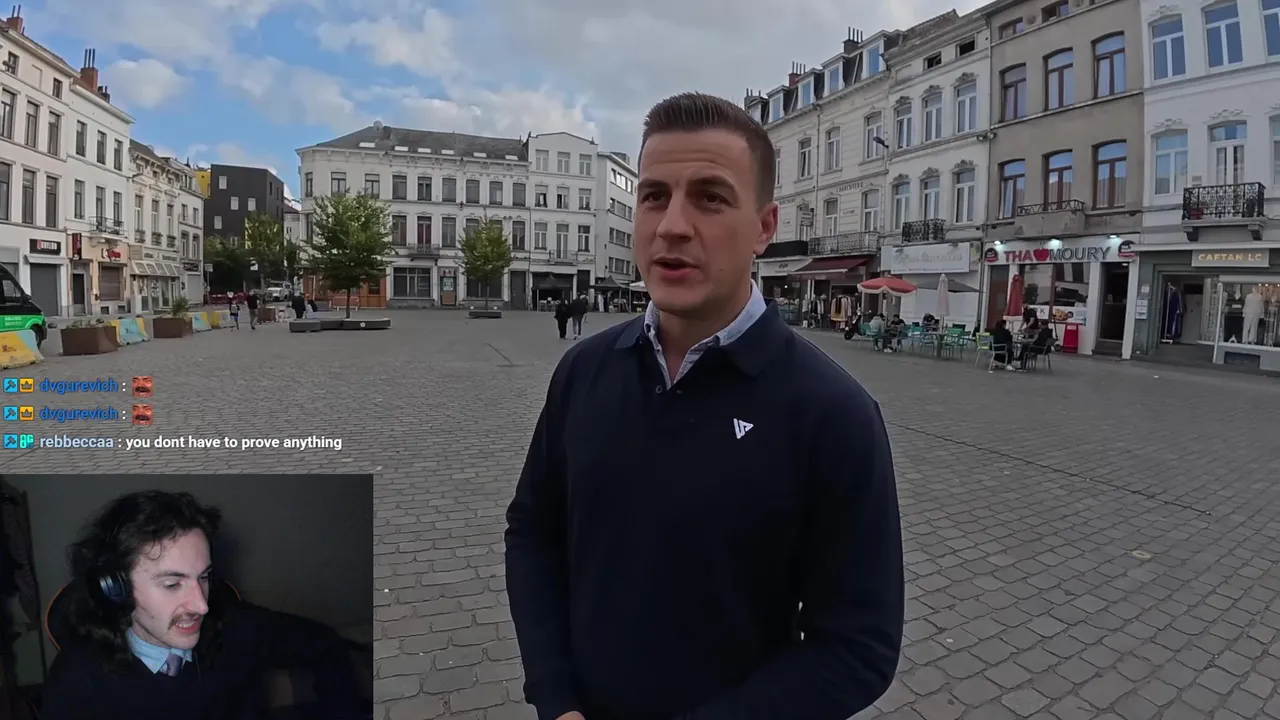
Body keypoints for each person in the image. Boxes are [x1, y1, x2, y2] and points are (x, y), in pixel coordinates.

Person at [506, 92, 903, 720]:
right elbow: (533, 532)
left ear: (765, 228)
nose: (672, 225)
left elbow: (859, 648)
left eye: (710, 198)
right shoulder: (583, 372)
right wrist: (555, 697)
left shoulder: (834, 414)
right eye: (654, 195)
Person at [41, 490, 362, 719]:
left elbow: (326, 644)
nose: (202, 605)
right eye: (172, 584)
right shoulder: (77, 680)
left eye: (204, 577)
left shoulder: (240, 629)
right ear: (116, 589)